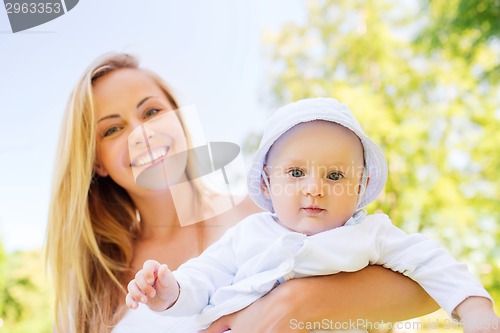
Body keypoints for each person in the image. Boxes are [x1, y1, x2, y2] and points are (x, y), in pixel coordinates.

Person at [45, 53, 440, 333]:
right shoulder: (96, 283)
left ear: (180, 117)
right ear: (95, 161)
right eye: (113, 129)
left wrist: (295, 304)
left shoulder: (273, 212)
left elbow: (428, 287)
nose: (142, 133)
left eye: (151, 112)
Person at [126, 98, 499, 332]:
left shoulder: (371, 233)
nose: (314, 188)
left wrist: (477, 311)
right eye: (296, 173)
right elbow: (203, 279)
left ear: (360, 186)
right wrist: (169, 291)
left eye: (335, 176)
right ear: (268, 184)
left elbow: (433, 263)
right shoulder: (249, 233)